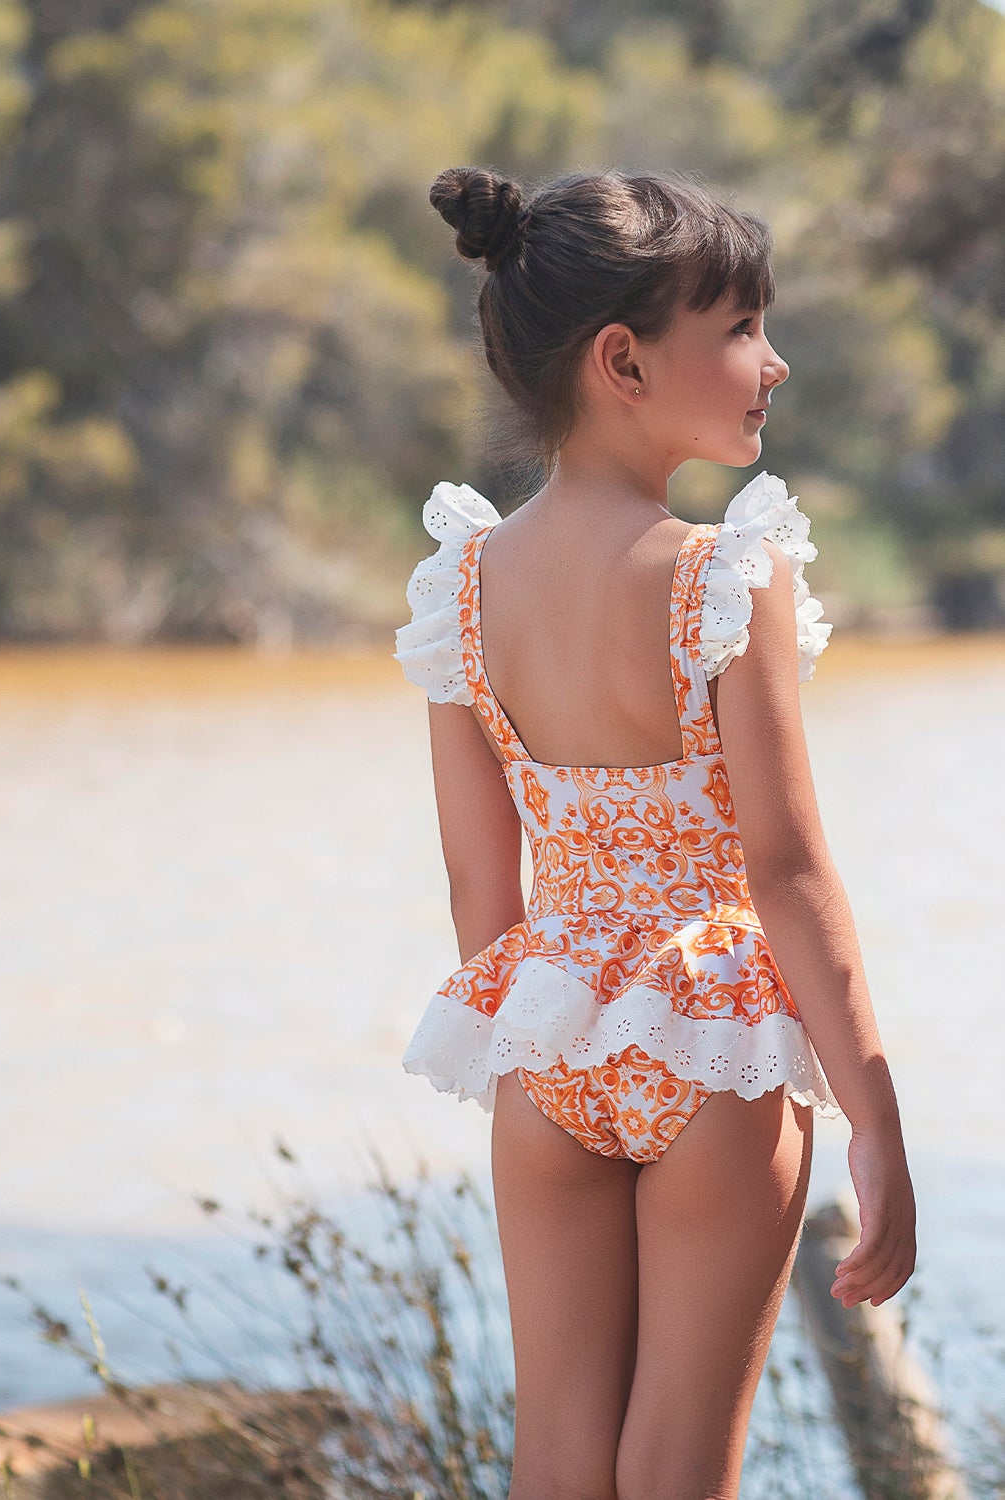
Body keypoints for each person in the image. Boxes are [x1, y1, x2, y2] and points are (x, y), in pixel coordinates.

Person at [393, 165, 917, 1500]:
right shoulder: (720, 575)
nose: (772, 362)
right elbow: (787, 871)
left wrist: (534, 1049)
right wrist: (876, 1119)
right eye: (738, 328)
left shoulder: (463, 586)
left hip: (551, 1038)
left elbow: (476, 883)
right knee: (679, 1468)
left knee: (559, 1460)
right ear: (622, 359)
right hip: (715, 1045)